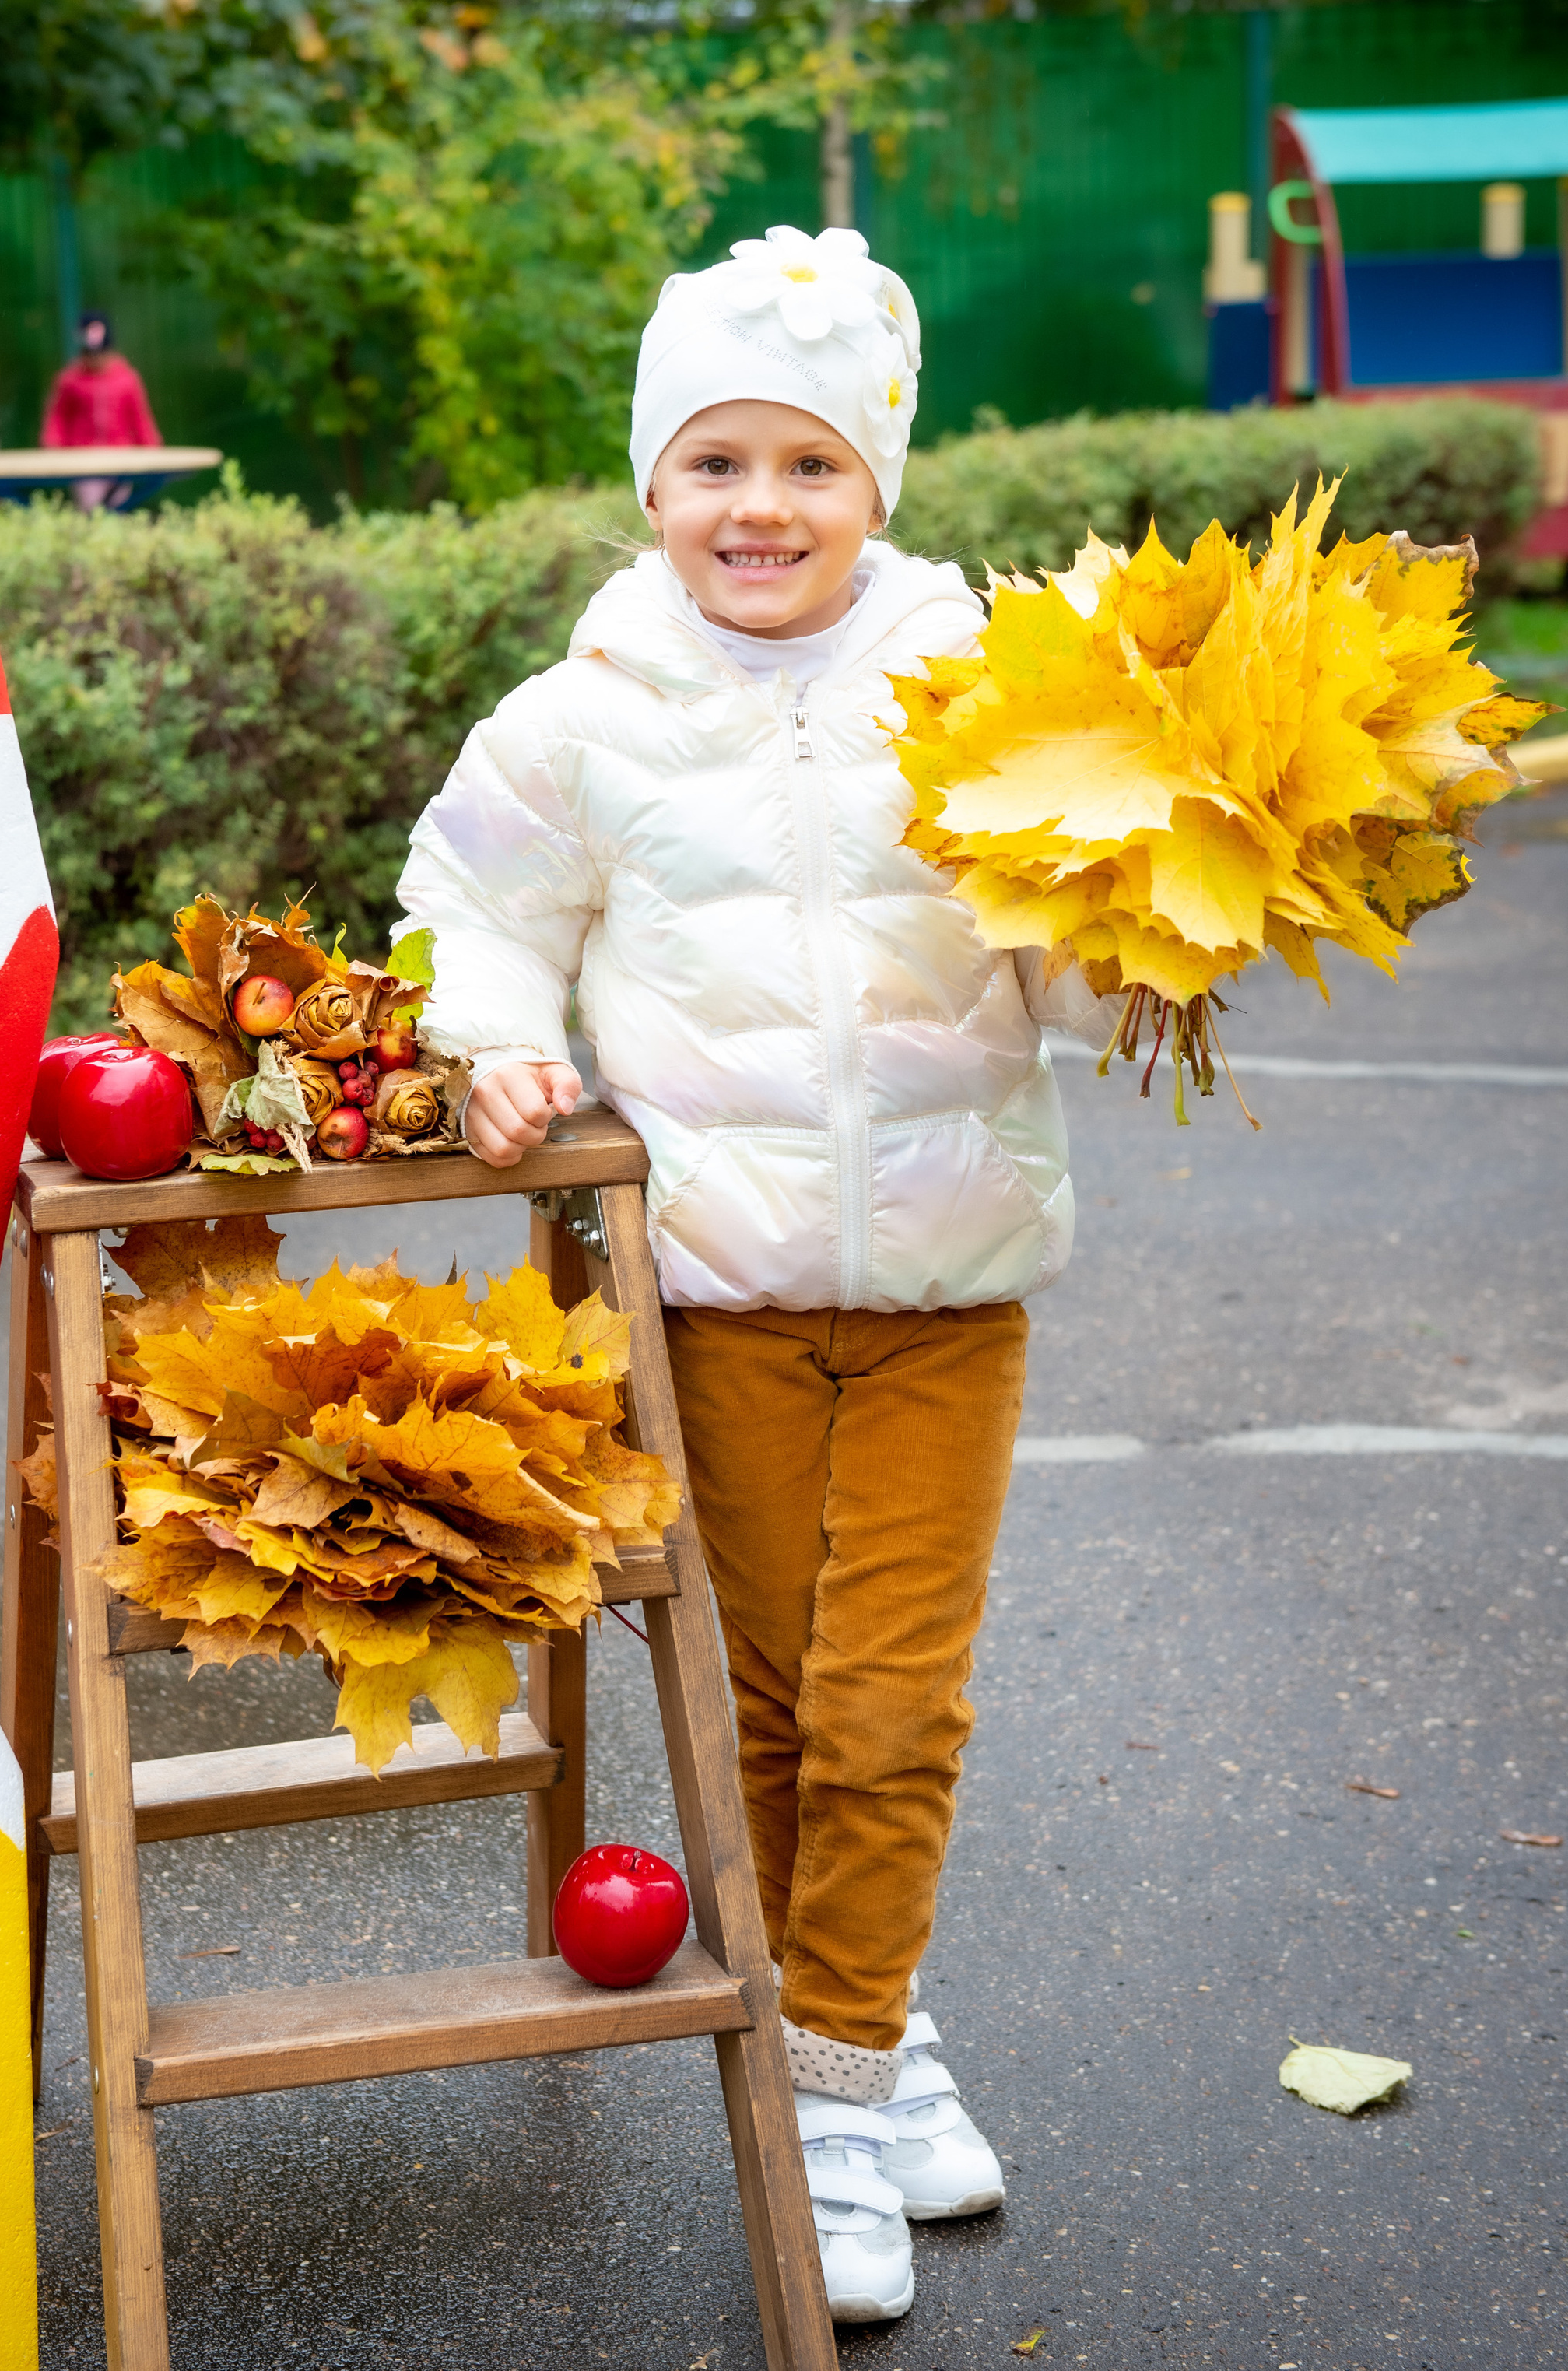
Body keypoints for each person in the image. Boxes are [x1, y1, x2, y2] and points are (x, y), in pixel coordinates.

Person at [395, 224, 1118, 2326]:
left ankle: (830, 2078)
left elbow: (1067, 926)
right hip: (710, 1282)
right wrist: (498, 1036)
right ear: (652, 485)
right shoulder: (589, 710)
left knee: (897, 1696)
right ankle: (862, 2023)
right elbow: (479, 899)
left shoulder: (985, 682)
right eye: (715, 461)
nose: (761, 506)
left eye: (809, 464)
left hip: (946, 1282)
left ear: (878, 485)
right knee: (777, 1702)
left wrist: (1141, 925)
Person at [40, 310, 160, 509]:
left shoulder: (127, 379)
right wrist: (52, 445)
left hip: (121, 461)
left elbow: (140, 419)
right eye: (88, 354)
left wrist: (152, 449)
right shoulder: (69, 380)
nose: (95, 359)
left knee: (119, 510)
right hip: (82, 461)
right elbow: (58, 418)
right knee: (91, 510)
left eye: (100, 353)